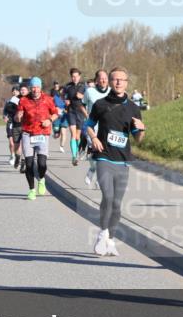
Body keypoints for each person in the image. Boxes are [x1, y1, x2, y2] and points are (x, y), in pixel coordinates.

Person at [85, 67, 145, 257]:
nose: (118, 82)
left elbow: (138, 139)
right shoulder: (100, 104)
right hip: (104, 157)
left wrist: (142, 129)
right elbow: (87, 125)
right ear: (110, 82)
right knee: (108, 197)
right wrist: (93, 137)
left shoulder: (134, 108)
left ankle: (110, 239)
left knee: (117, 204)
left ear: (127, 82)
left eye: (122, 79)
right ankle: (102, 232)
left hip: (123, 161)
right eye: (115, 79)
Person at [15, 77, 58, 200]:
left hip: (42, 134)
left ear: (40, 87)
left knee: (41, 164)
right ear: (30, 88)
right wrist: (18, 116)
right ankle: (31, 190)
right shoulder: (23, 100)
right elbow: (18, 116)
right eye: (33, 87)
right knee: (29, 164)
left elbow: (55, 113)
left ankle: (42, 179)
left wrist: (49, 120)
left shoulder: (48, 100)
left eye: (37, 87)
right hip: (27, 134)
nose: (35, 89)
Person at [82, 69, 111, 188]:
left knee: (105, 154)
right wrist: (87, 115)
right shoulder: (89, 91)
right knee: (93, 153)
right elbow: (82, 105)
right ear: (97, 80)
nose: (103, 80)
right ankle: (93, 169)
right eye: (101, 78)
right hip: (92, 128)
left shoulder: (111, 91)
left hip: (107, 128)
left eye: (105, 78)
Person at [62, 68, 87, 166]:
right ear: (71, 77)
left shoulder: (84, 87)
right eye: (73, 76)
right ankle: (74, 156)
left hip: (80, 112)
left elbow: (87, 98)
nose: (75, 78)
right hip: (71, 111)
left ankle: (76, 151)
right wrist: (65, 100)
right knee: (73, 134)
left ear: (79, 77)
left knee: (77, 136)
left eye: (76, 76)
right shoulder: (67, 86)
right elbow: (63, 96)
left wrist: (82, 97)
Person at [11, 84, 29, 170]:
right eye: (21, 89)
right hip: (16, 125)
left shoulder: (30, 99)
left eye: (24, 89)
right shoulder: (15, 99)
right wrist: (15, 114)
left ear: (27, 91)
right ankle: (17, 157)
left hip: (26, 125)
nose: (23, 91)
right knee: (16, 145)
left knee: (25, 145)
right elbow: (9, 110)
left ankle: (23, 163)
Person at [2, 86, 21, 164]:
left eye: (16, 91)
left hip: (18, 123)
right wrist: (4, 117)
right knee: (11, 142)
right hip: (10, 122)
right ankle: (12, 155)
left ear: (19, 92)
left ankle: (18, 156)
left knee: (17, 142)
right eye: (13, 91)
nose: (14, 92)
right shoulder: (8, 101)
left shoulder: (21, 101)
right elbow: (4, 111)